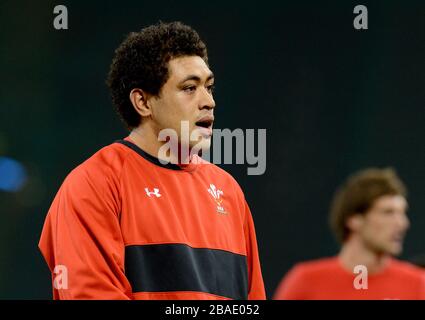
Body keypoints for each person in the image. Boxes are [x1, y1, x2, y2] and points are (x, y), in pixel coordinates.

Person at [38, 21, 265, 300]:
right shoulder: (94, 185)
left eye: (209, 87)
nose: (208, 101)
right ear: (143, 102)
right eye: (189, 88)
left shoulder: (229, 192)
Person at [274, 167, 425, 300]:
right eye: (388, 212)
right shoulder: (306, 281)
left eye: (402, 213)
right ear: (354, 219)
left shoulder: (418, 284)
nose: (402, 223)